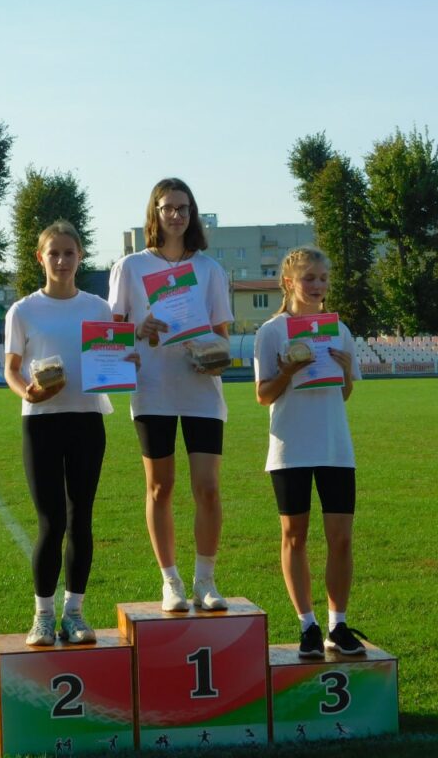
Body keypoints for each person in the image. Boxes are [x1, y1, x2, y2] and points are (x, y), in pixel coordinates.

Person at [5, 220, 137, 646]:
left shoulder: (98, 309)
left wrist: (126, 361)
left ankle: (74, 613)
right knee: (51, 521)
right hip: (41, 422)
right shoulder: (23, 311)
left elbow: (113, 355)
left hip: (86, 420)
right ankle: (43, 616)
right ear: (40, 258)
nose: (61, 260)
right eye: (54, 253)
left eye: (69, 253)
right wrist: (27, 391)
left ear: (80, 257)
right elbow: (11, 369)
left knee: (81, 518)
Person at [108, 178, 234, 612]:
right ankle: (171, 581)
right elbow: (111, 334)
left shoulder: (210, 270)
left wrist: (211, 356)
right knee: (160, 487)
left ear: (192, 213)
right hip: (153, 388)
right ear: (155, 213)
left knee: (208, 489)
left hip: (201, 390)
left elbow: (222, 336)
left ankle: (205, 581)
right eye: (168, 208)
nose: (176, 215)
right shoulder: (130, 267)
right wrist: (137, 329)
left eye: (183, 208)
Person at [253, 247, 368, 658]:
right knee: (294, 536)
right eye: (309, 278)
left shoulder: (339, 330)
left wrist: (344, 372)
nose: (318, 285)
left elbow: (344, 393)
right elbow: (263, 395)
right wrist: (287, 370)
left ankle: (338, 624)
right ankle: (307, 625)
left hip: (335, 446)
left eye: (323, 278)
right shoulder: (272, 332)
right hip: (291, 447)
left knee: (341, 538)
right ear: (289, 282)